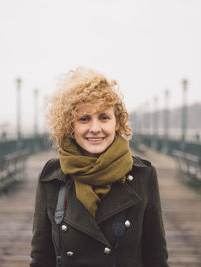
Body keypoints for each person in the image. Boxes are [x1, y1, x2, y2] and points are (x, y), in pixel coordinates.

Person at [30, 67, 169, 267]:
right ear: (71, 126)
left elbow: (156, 258)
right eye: (84, 119)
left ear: (117, 123)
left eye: (104, 117)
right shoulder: (51, 178)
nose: (95, 128)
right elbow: (40, 258)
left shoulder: (142, 175)